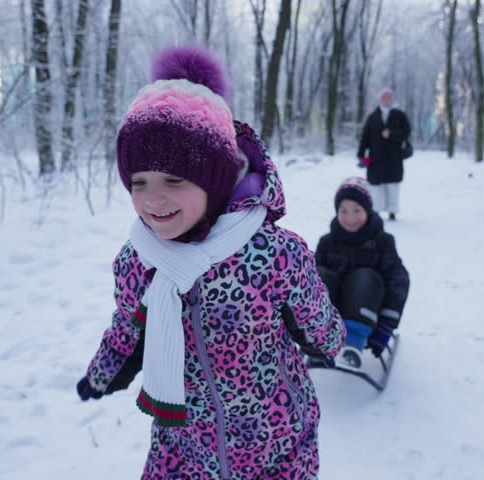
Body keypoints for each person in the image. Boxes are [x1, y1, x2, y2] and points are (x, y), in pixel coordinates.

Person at [75, 46, 345, 480]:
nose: (151, 198)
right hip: (184, 445)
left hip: (274, 440)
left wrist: (328, 340)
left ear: (216, 180)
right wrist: (102, 373)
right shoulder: (138, 261)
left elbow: (319, 323)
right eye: (138, 182)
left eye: (174, 180)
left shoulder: (272, 256)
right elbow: (129, 327)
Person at [315, 177, 409, 366]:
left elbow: (398, 280)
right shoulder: (327, 242)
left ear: (367, 210)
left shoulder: (382, 241)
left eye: (357, 210)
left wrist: (386, 325)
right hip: (332, 313)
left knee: (366, 277)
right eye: (344, 211)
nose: (350, 217)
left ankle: (353, 343)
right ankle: (319, 341)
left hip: (368, 310)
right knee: (319, 275)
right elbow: (307, 280)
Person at [357, 88, 412, 221]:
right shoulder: (372, 117)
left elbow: (407, 132)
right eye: (384, 97)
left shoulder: (400, 115)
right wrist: (361, 155)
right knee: (376, 188)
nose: (386, 100)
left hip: (394, 159)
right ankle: (376, 212)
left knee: (393, 187)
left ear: (392, 99)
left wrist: (392, 134)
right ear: (380, 99)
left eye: (389, 97)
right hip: (375, 160)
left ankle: (392, 212)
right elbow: (365, 138)